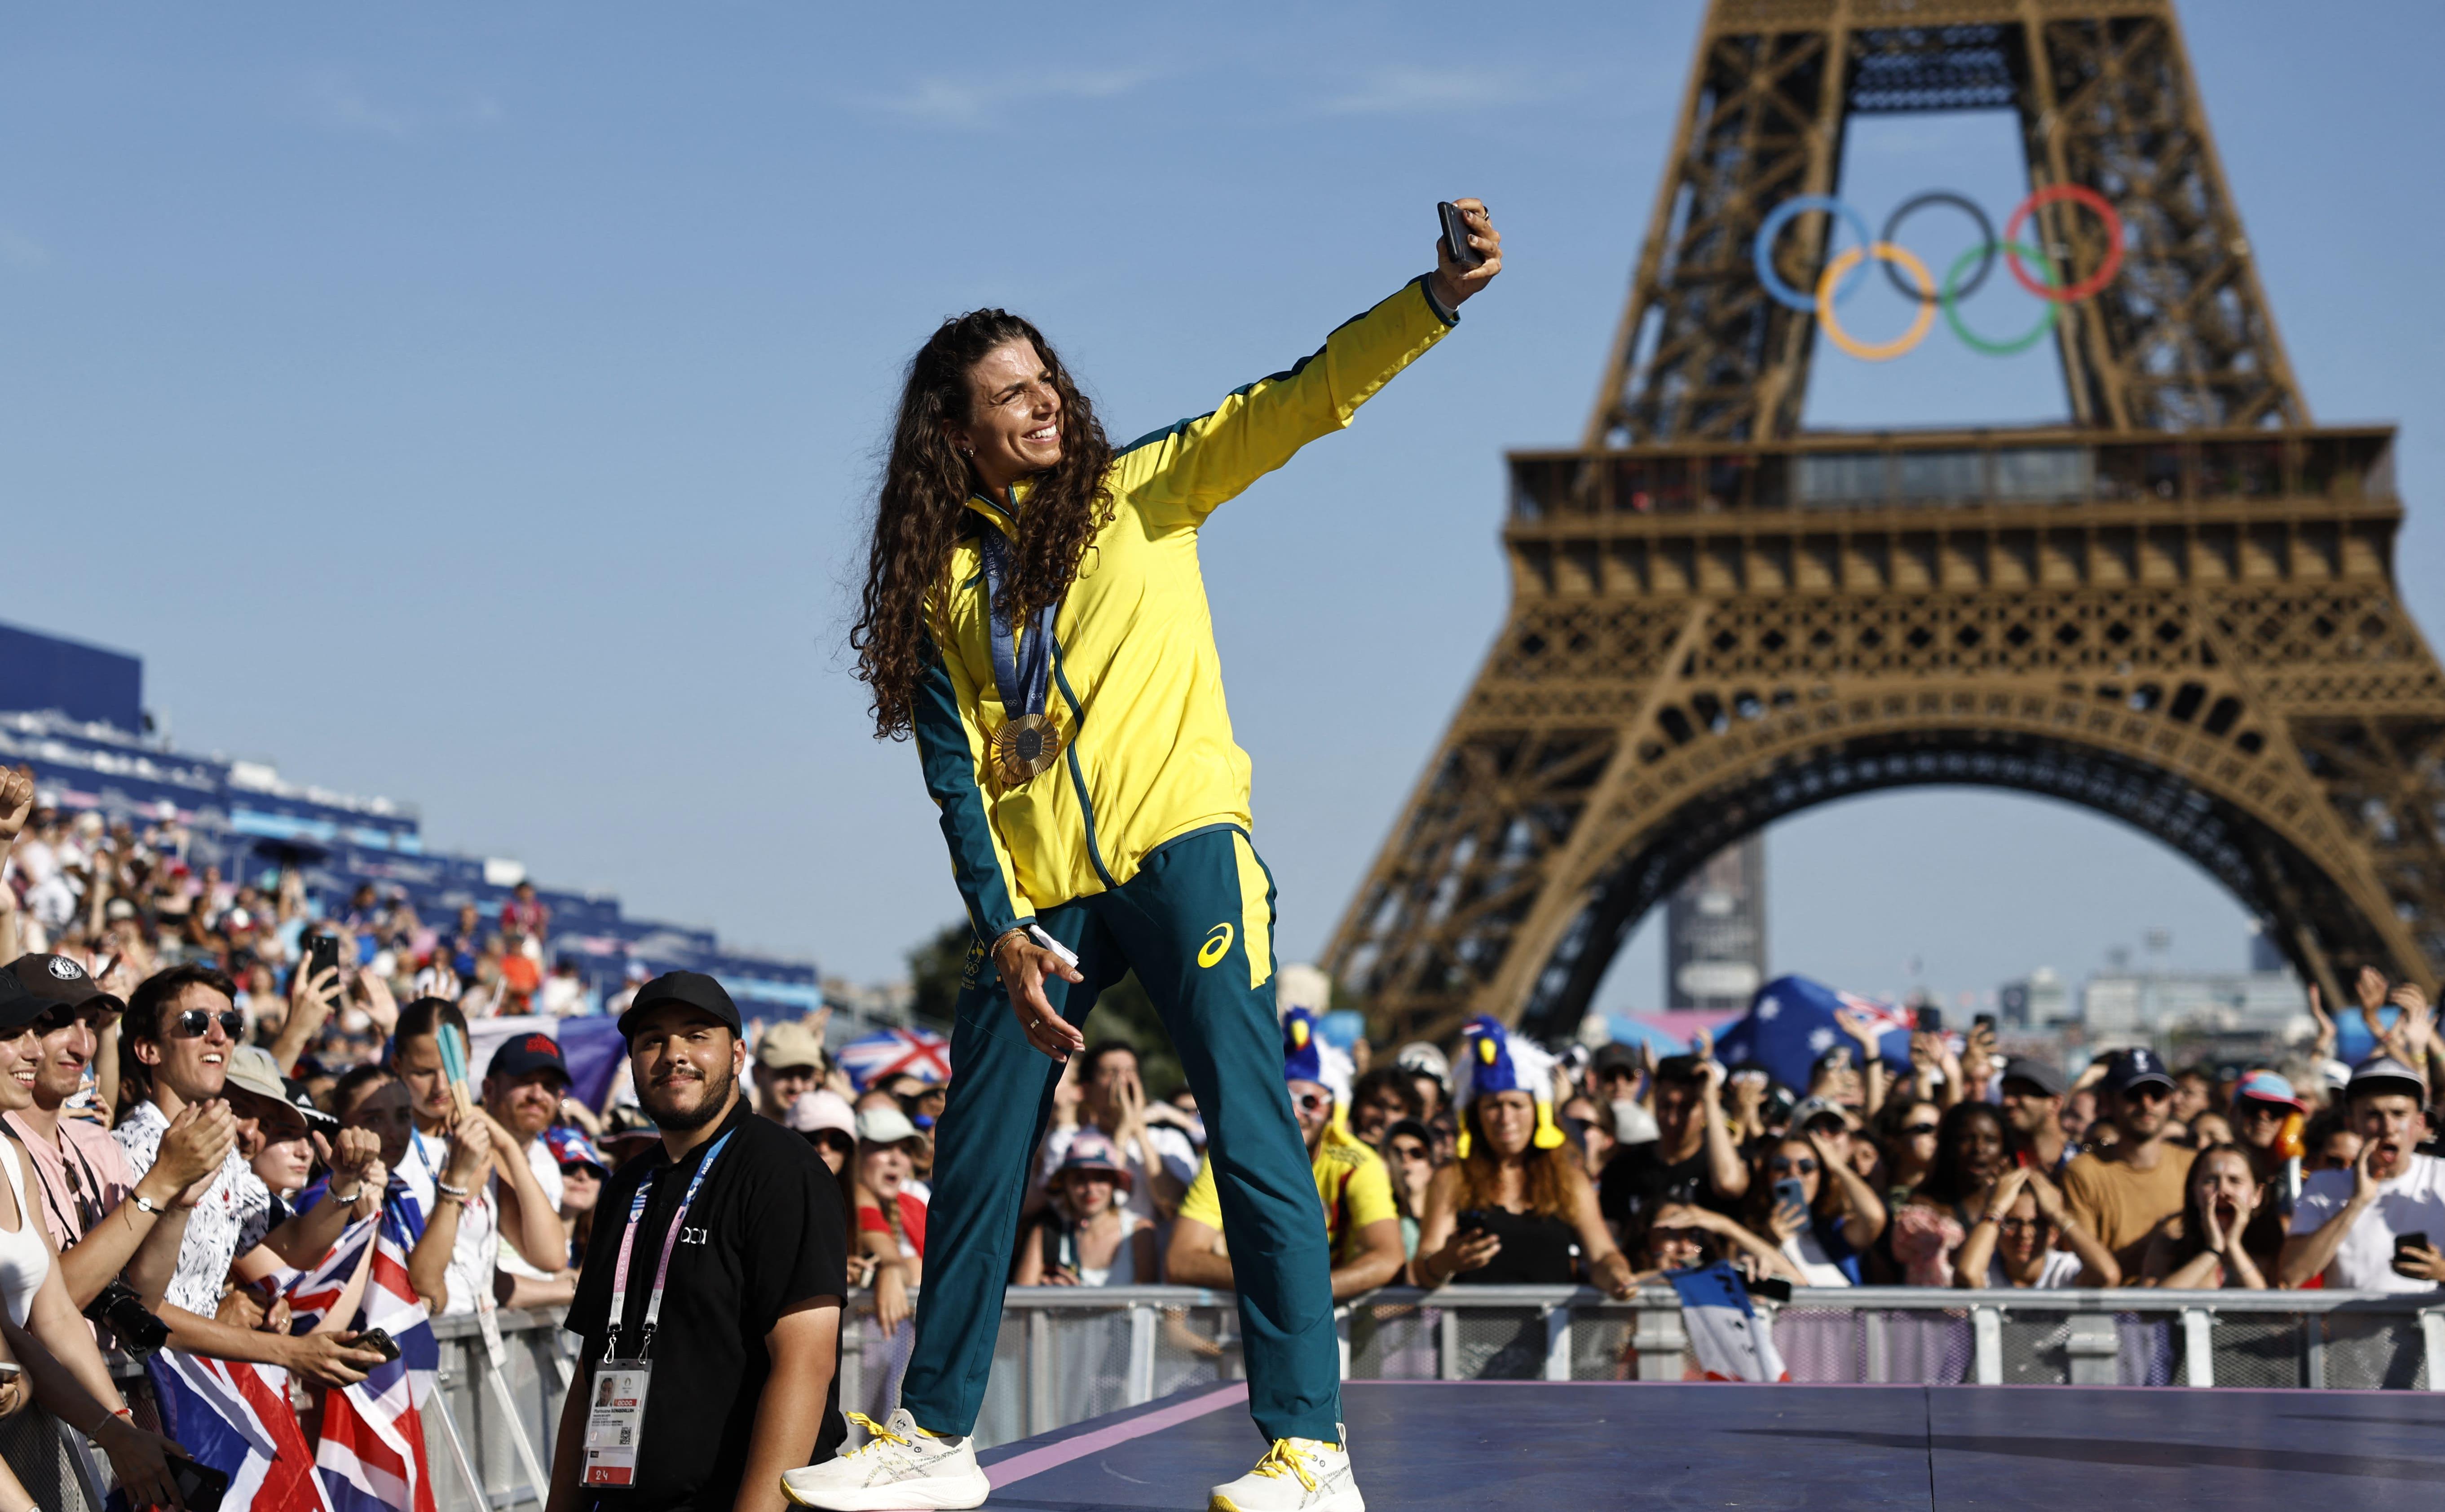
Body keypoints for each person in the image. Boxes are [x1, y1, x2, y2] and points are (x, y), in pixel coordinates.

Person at [803, 195, 1501, 1512]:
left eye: (1043, 379)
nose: (1040, 403)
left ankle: (1309, 1450)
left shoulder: (1146, 486)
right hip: (1045, 898)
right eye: (1005, 395)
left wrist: (1432, 300)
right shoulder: (943, 589)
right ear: (950, 432)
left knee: (1249, 1130)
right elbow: (956, 780)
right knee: (977, 1145)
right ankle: (937, 1439)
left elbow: (1301, 399)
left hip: (1183, 851)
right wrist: (998, 924)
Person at [550, 971, 847, 1512]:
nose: (672, 1054)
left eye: (695, 1035)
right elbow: (593, 1367)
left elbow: (805, 1365)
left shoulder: (783, 1170)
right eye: (652, 1040)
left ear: (737, 1054)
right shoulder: (624, 1186)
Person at [110, 964, 390, 1383]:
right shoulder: (122, 1150)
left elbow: (298, 1247)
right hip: (142, 1392)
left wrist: (345, 1183)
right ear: (148, 1050)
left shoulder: (224, 1155)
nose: (219, 1035)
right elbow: (138, 1305)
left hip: (201, 1385)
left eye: (230, 1022)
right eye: (195, 1022)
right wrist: (287, 1351)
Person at [1164, 1009, 1405, 1302]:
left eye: (1310, 1101)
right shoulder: (1231, 1157)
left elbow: (1388, 1257)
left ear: (1332, 1109)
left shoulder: (1357, 1163)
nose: (1296, 1113)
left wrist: (1310, 1294)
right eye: (1286, 1098)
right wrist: (1277, 1283)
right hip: (1250, 1314)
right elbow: (1181, 1260)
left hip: (1334, 1317)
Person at [1411, 1018, 1634, 1295]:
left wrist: (1617, 1276)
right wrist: (1447, 1261)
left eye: (1517, 1105)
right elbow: (1423, 1267)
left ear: (1539, 1112)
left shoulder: (1568, 1179)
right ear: (1476, 1115)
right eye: (1493, 1106)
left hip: (1552, 1336)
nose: (1506, 1118)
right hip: (1468, 1336)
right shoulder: (1452, 1178)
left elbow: (1601, 1255)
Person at [389, 997, 563, 1316]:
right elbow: (407, 1271)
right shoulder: (390, 1147)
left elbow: (550, 1255)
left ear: (468, 1060)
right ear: (398, 1066)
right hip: (424, 1342)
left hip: (481, 1344)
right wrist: (457, 1191)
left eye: (452, 1068)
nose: (441, 1085)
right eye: (424, 1072)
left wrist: (507, 1145)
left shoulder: (479, 1141)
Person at [2279, 1055, 2445, 1289]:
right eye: (2373, 1115)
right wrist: (2357, 1203)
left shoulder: (2441, 1177)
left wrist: (2442, 1271)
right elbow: (2291, 1275)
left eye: (2399, 1114)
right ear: (2352, 1123)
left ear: (2419, 1123)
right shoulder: (2324, 1185)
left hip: (2432, 1327)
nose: (2388, 1129)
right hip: (2349, 1328)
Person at [2062, 1048, 2195, 1285]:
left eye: (2157, 1094)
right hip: (2115, 1312)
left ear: (2170, 1101)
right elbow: (2090, 1269)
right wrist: (2158, 1243)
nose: (2147, 1105)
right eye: (2133, 1095)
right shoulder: (2083, 1171)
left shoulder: (2193, 1164)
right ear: (2107, 1102)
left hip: (2188, 1310)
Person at [1037, 1042, 1195, 1231]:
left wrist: (1137, 1128)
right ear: (1087, 1090)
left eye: (1130, 1071)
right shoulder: (1067, 1143)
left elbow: (1174, 1204)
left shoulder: (1169, 1140)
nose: (1123, 1080)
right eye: (1112, 1072)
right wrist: (1121, 1136)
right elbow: (1067, 1210)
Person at [1596, 1052, 1749, 1247]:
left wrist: (1711, 1099)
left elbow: (1729, 1185)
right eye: (1664, 1106)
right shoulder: (1624, 1166)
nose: (1672, 1119)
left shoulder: (1722, 1162)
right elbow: (1609, 1240)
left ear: (1704, 1108)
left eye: (1686, 1108)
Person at [484, 1031, 575, 1304]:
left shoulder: (546, 1160)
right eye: (524, 1081)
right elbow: (483, 1281)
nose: (537, 1095)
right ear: (489, 1089)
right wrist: (574, 1292)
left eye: (548, 1086)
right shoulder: (459, 1154)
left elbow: (548, 1263)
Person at [1012, 1132, 1155, 1287]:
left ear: (1114, 1183)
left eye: (1100, 1178)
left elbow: (1146, 1303)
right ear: (1065, 1184)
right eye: (1079, 1179)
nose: (1090, 1189)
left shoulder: (1140, 1231)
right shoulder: (1045, 1233)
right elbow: (1021, 1305)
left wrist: (1078, 1300)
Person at [1892, 1102, 2011, 1287]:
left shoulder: (2017, 1206)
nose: (1979, 1149)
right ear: (1949, 1146)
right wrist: (1995, 1209)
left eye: (1990, 1140)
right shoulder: (1922, 1212)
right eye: (1966, 1139)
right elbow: (1961, 1271)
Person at [1751, 1125, 1885, 1287]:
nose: (1794, 1173)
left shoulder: (1834, 1230)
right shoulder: (1751, 1232)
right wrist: (1769, 1244)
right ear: (1767, 1175)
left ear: (1821, 1177)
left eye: (1807, 1166)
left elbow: (1873, 1218)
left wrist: (1837, 1166)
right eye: (1781, 1165)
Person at [1953, 1164, 2116, 1289]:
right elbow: (1967, 1275)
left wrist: (2058, 1214)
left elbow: (2107, 1275)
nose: (2024, 1234)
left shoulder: (2063, 1270)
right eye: (2012, 1223)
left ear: (2054, 1232)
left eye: (2037, 1224)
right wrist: (1995, 1209)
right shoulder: (1985, 1270)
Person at [2140, 1144, 2270, 1288]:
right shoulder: (2169, 1243)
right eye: (2210, 1180)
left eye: (2235, 1180)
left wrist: (2233, 1245)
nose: (2222, 1191)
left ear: (2258, 1195)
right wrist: (2213, 1250)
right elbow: (2155, 1304)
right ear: (2194, 1191)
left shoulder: (2275, 1244)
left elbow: (2267, 1306)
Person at [851, 1106, 930, 1334]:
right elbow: (902, 1268)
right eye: (884, 1147)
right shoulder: (854, 1197)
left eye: (905, 1151)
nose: (896, 1159)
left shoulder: (912, 1204)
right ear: (856, 1152)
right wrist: (892, 1268)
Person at [1997, 1057, 2070, 1173]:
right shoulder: (1999, 1164)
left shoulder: (2079, 1162)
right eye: (2005, 1094)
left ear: (2055, 1104)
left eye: (2018, 1093)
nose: (2007, 1102)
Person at [756, 1019, 829, 1121]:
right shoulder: (737, 1135)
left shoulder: (828, 1134)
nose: (796, 1087)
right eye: (785, 1073)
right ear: (757, 1075)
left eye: (806, 1075)